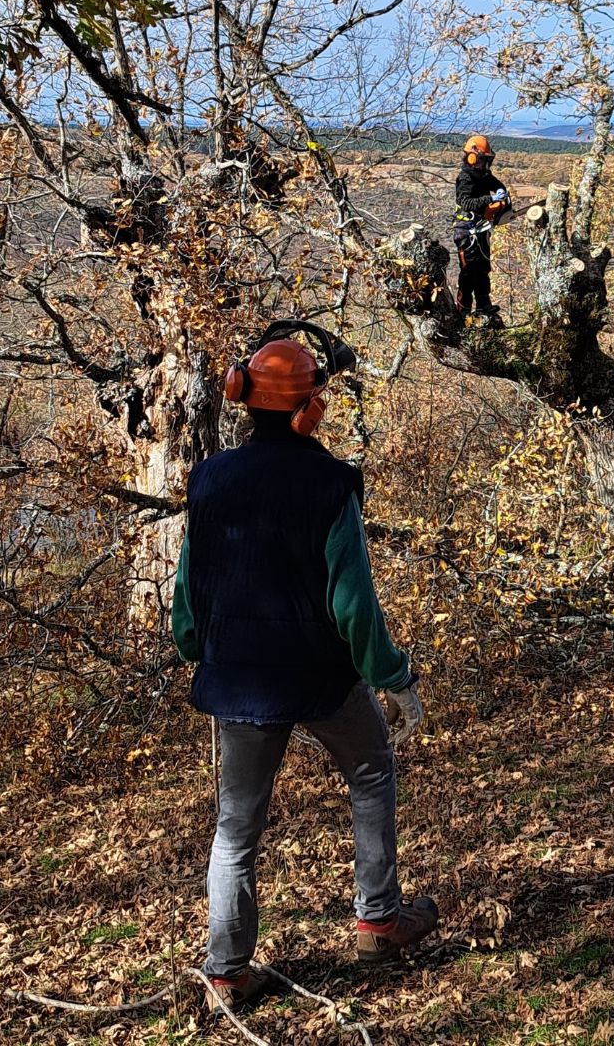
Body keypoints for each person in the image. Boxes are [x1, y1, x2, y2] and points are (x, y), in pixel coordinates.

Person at [171, 322, 437, 1009]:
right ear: (308, 406)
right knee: (373, 769)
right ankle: (378, 918)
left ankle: (226, 971)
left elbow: (186, 588)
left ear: (242, 395)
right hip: (321, 676)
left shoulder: (210, 479)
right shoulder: (330, 483)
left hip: (239, 680)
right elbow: (353, 604)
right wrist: (393, 676)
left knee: (237, 826)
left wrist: (195, 648)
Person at [453, 134, 509, 318]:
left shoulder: (484, 175)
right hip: (466, 231)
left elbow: (496, 184)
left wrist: (501, 191)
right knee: (469, 272)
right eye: (482, 160)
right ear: (472, 157)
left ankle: (484, 304)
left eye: (487, 160)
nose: (484, 164)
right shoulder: (466, 177)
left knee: (483, 269)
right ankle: (463, 310)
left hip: (481, 228)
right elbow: (465, 202)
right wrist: (490, 199)